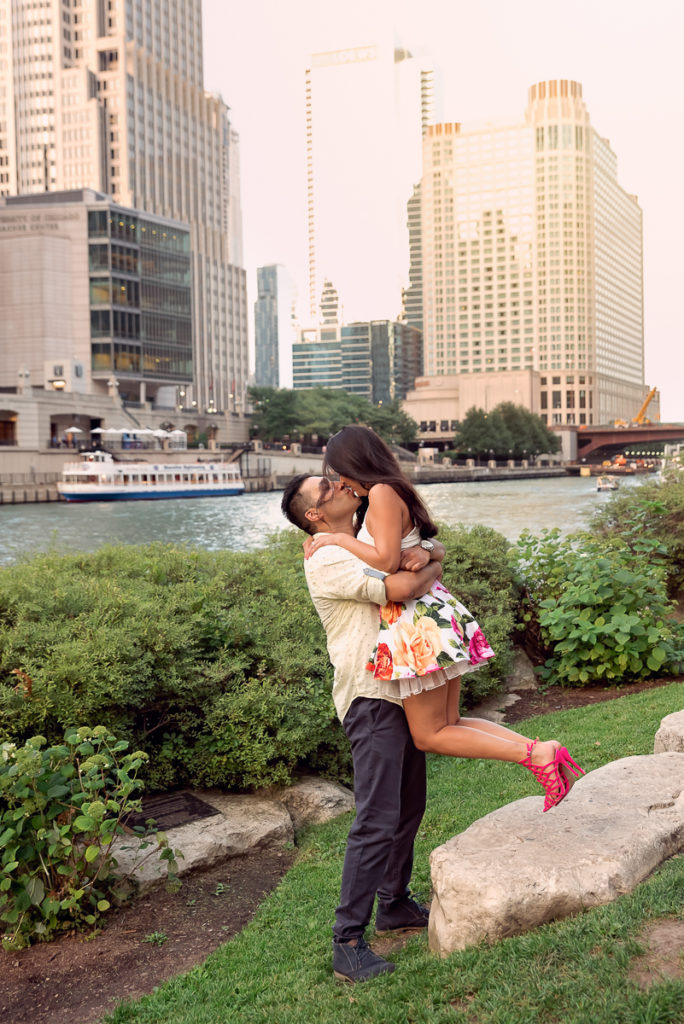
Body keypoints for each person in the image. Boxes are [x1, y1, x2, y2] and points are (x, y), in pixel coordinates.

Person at [308, 425, 584, 812]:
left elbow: (387, 561)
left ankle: (536, 755)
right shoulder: (391, 490)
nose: (341, 481)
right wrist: (427, 551)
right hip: (429, 614)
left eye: (339, 471)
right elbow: (419, 545)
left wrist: (338, 539)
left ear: (355, 463)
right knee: (449, 722)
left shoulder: (383, 493)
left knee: (431, 735)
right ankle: (539, 751)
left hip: (416, 621)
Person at [281, 472, 444, 983]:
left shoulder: (365, 539)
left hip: (402, 685)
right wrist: (430, 564)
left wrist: (432, 551)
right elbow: (402, 585)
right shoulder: (327, 556)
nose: (337, 486)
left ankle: (394, 903)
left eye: (332, 479)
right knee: (377, 817)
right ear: (314, 515)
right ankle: (347, 942)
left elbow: (414, 552)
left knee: (409, 804)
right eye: (324, 488)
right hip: (370, 696)